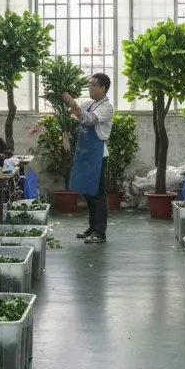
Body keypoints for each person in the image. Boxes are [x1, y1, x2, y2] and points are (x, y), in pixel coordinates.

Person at [63, 73, 113, 244]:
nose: (89, 88)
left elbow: (90, 120)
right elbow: (74, 117)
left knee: (98, 193)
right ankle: (92, 228)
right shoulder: (89, 103)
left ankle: (100, 232)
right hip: (85, 152)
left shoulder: (106, 106)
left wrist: (74, 106)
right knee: (88, 192)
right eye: (89, 85)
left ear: (103, 88)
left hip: (98, 154)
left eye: (93, 85)